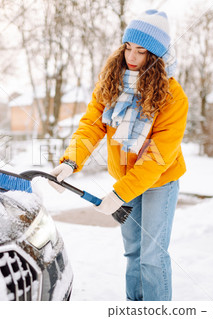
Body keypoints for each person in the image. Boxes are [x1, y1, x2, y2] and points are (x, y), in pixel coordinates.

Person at [49, 9, 188, 301]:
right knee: (133, 252)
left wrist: (119, 194)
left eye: (141, 51)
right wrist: (70, 162)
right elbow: (90, 127)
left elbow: (158, 157)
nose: (132, 57)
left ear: (157, 56)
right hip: (126, 180)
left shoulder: (173, 97)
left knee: (152, 255)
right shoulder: (110, 84)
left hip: (159, 182)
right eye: (127, 48)